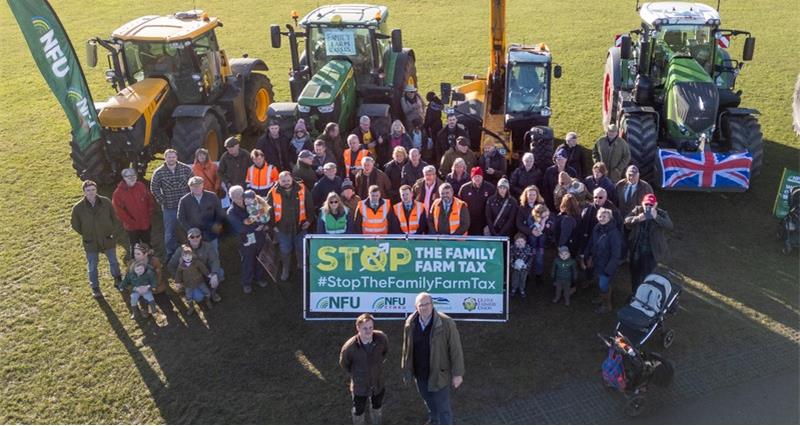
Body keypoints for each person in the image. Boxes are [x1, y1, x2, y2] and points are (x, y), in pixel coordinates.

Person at [401, 292, 464, 425]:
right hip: (420, 373)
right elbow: (406, 349)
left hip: (439, 373)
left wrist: (457, 374)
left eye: (427, 304)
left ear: (432, 304)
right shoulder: (410, 323)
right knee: (428, 401)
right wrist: (406, 370)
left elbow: (456, 349)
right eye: (421, 305)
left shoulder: (446, 323)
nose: (424, 307)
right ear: (416, 307)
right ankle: (434, 421)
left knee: (443, 407)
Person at [71, 180, 122, 298]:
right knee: (92, 265)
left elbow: (114, 217)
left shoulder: (106, 202)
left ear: (96, 190)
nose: (91, 192)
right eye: (88, 190)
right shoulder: (78, 208)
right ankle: (95, 288)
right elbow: (75, 225)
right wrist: (87, 234)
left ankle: (118, 280)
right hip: (91, 242)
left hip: (107, 238)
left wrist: (111, 231)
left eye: (93, 190)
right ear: (84, 192)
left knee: (113, 261)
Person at [340, 313, 389, 425]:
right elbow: (344, 363)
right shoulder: (350, 347)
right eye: (365, 328)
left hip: (378, 382)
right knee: (359, 410)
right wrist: (357, 374)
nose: (368, 331)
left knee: (377, 405)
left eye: (371, 327)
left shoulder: (381, 339)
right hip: (359, 386)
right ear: (358, 328)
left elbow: (385, 353)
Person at [267, 171, 314, 281]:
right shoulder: (273, 192)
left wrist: (309, 220)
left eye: (288, 180)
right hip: (282, 228)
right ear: (279, 181)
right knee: (285, 250)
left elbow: (309, 205)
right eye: (283, 181)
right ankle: (285, 269)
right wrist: (272, 225)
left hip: (300, 226)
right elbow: (269, 210)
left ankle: (302, 265)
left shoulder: (302, 188)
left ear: (292, 179)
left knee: (301, 248)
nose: (286, 183)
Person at [624, 193, 673, 295]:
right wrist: (637, 218)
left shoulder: (661, 213)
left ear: (655, 204)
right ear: (642, 203)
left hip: (652, 252)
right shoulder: (638, 210)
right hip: (636, 250)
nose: (648, 207)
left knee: (648, 275)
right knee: (635, 274)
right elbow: (626, 221)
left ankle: (646, 296)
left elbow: (669, 226)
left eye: (651, 205)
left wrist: (656, 217)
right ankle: (635, 295)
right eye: (646, 204)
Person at [150, 148, 193, 261]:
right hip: (170, 208)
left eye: (173, 157)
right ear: (165, 158)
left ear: (176, 157)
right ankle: (171, 252)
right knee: (169, 233)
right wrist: (162, 201)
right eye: (169, 157)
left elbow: (193, 184)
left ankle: (191, 250)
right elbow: (154, 188)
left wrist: (191, 200)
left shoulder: (186, 169)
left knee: (188, 229)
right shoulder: (159, 172)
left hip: (186, 207)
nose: (171, 159)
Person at [226, 186, 268, 294]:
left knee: (260, 259)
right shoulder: (231, 212)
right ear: (231, 198)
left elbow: (264, 211)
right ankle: (247, 283)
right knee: (248, 261)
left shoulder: (252, 202)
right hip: (246, 241)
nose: (239, 199)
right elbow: (240, 228)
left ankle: (259, 278)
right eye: (235, 197)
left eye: (240, 195)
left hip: (259, 237)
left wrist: (262, 224)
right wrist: (257, 226)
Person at [583, 207, 623, 314]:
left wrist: (608, 269)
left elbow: (616, 254)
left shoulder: (614, 233)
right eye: (600, 216)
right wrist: (587, 255)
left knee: (603, 284)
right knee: (600, 282)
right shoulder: (597, 228)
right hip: (597, 262)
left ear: (610, 218)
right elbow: (591, 242)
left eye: (605, 216)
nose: (602, 218)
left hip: (607, 265)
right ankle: (602, 297)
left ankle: (607, 305)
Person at [168, 228, 224, 302]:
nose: (195, 238)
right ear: (188, 238)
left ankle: (213, 292)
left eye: (197, 236)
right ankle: (201, 293)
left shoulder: (208, 246)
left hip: (205, 273)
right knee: (199, 298)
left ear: (201, 237)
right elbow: (171, 265)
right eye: (192, 237)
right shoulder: (181, 250)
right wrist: (180, 280)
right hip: (192, 279)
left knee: (219, 272)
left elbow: (214, 260)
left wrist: (214, 273)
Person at [112, 168, 155, 255]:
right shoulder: (118, 193)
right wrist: (131, 222)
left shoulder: (141, 186)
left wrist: (149, 214)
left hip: (145, 223)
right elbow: (119, 212)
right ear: (124, 178)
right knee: (135, 246)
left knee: (147, 243)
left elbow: (149, 200)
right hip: (132, 227)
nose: (132, 178)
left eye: (133, 176)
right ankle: (136, 264)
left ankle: (150, 261)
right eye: (129, 176)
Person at [177, 176, 226, 252]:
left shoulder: (212, 196)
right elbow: (181, 217)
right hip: (194, 236)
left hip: (211, 233)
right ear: (190, 187)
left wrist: (215, 227)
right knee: (197, 257)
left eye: (198, 186)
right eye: (193, 186)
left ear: (203, 185)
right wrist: (190, 230)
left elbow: (220, 213)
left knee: (213, 254)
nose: (196, 188)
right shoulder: (184, 200)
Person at [174, 244, 213, 315]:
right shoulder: (181, 266)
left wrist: (208, 274)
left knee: (206, 291)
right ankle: (191, 306)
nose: (187, 257)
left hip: (199, 281)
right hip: (188, 284)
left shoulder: (196, 262)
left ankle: (208, 301)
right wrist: (177, 282)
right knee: (188, 296)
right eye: (185, 256)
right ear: (182, 257)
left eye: (189, 255)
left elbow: (203, 268)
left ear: (192, 255)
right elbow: (178, 274)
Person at [459, 167, 496, 236]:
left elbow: (493, 208)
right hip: (469, 221)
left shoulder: (490, 188)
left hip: (484, 222)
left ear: (482, 177)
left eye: (479, 176)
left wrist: (489, 224)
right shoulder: (464, 189)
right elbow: (460, 206)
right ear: (472, 177)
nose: (477, 178)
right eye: (475, 176)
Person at [527, 204, 553, 285]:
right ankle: (527, 275)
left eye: (547, 214)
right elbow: (537, 232)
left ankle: (538, 276)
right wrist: (543, 222)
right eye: (544, 215)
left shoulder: (548, 217)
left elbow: (550, 226)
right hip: (532, 244)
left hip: (541, 245)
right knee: (529, 259)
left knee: (539, 260)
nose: (546, 216)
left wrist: (546, 222)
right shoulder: (531, 218)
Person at [510, 233, 534, 298]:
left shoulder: (528, 248)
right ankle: (514, 288)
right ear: (515, 242)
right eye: (517, 241)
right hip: (516, 268)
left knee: (523, 278)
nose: (520, 243)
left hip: (524, 268)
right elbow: (510, 257)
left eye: (521, 241)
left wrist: (527, 265)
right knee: (515, 278)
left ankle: (522, 289)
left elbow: (530, 258)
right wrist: (513, 265)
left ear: (525, 242)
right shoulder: (512, 248)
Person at [423, 92, 444, 163]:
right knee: (439, 141)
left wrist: (425, 126)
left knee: (434, 142)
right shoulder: (439, 104)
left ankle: (435, 157)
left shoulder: (431, 107)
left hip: (433, 127)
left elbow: (429, 119)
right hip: (439, 125)